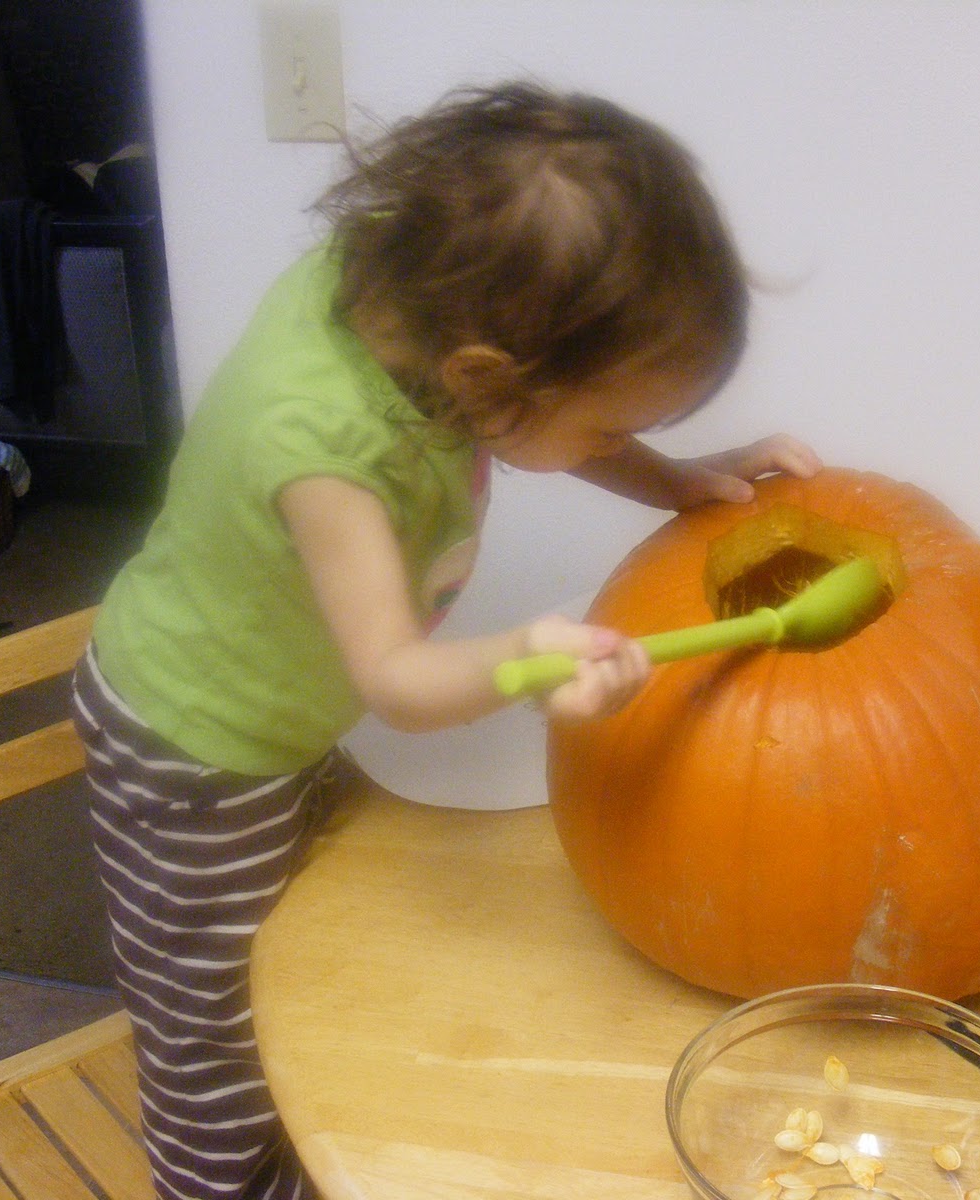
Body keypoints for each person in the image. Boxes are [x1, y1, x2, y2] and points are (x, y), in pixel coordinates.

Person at [70, 81, 821, 1200]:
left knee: (315, 959)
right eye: (613, 428)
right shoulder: (319, 447)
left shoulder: (424, 301)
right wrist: (530, 659)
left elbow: (553, 410)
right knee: (208, 1031)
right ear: (487, 379)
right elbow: (398, 680)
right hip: (190, 752)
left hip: (276, 717)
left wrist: (673, 479)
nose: (616, 444)